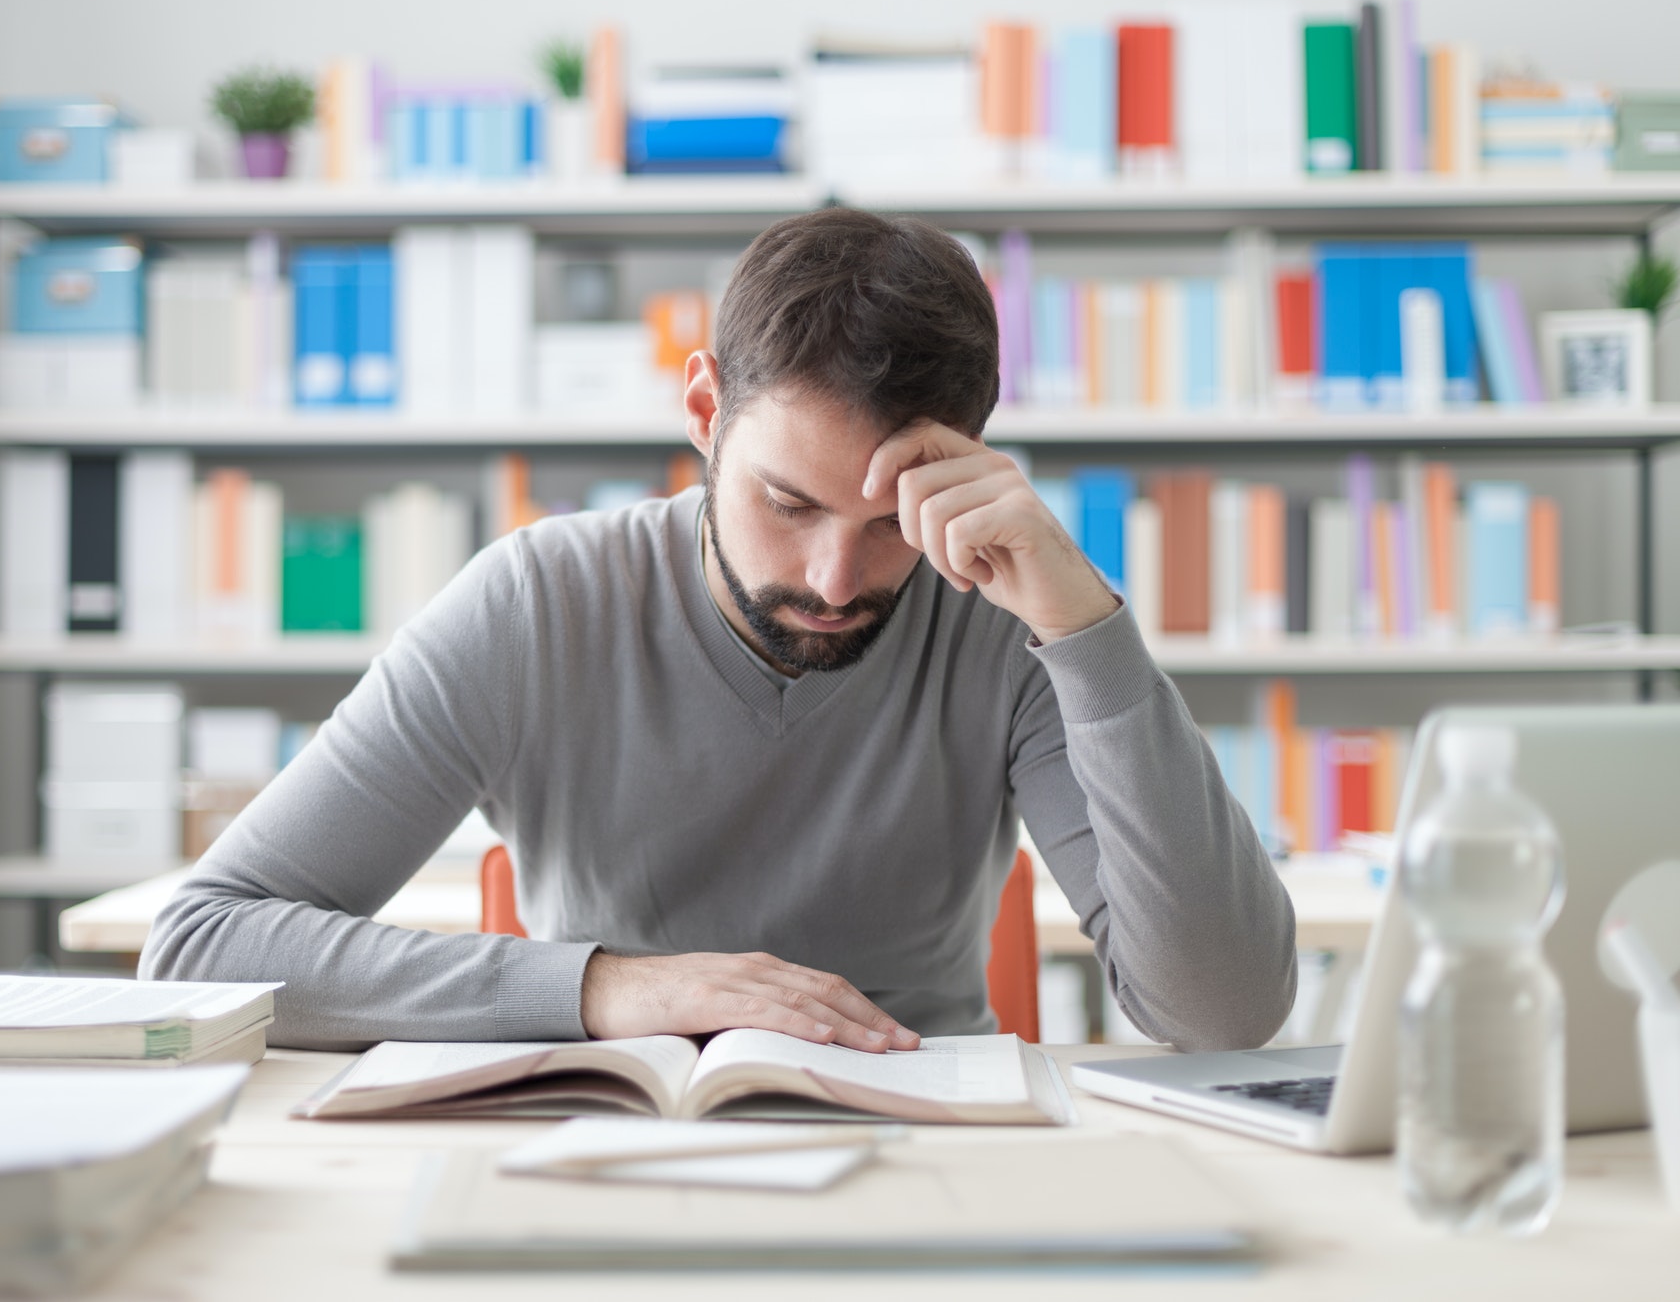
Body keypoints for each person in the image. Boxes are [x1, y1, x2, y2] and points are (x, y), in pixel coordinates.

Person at [142, 208, 1296, 1054]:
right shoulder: (536, 603)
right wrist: (611, 990)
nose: (832, 578)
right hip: (602, 1129)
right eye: (787, 503)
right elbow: (198, 945)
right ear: (703, 412)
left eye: (888, 521)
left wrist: (1084, 627)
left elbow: (1224, 1014)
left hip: (932, 1144)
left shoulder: (1006, 616)